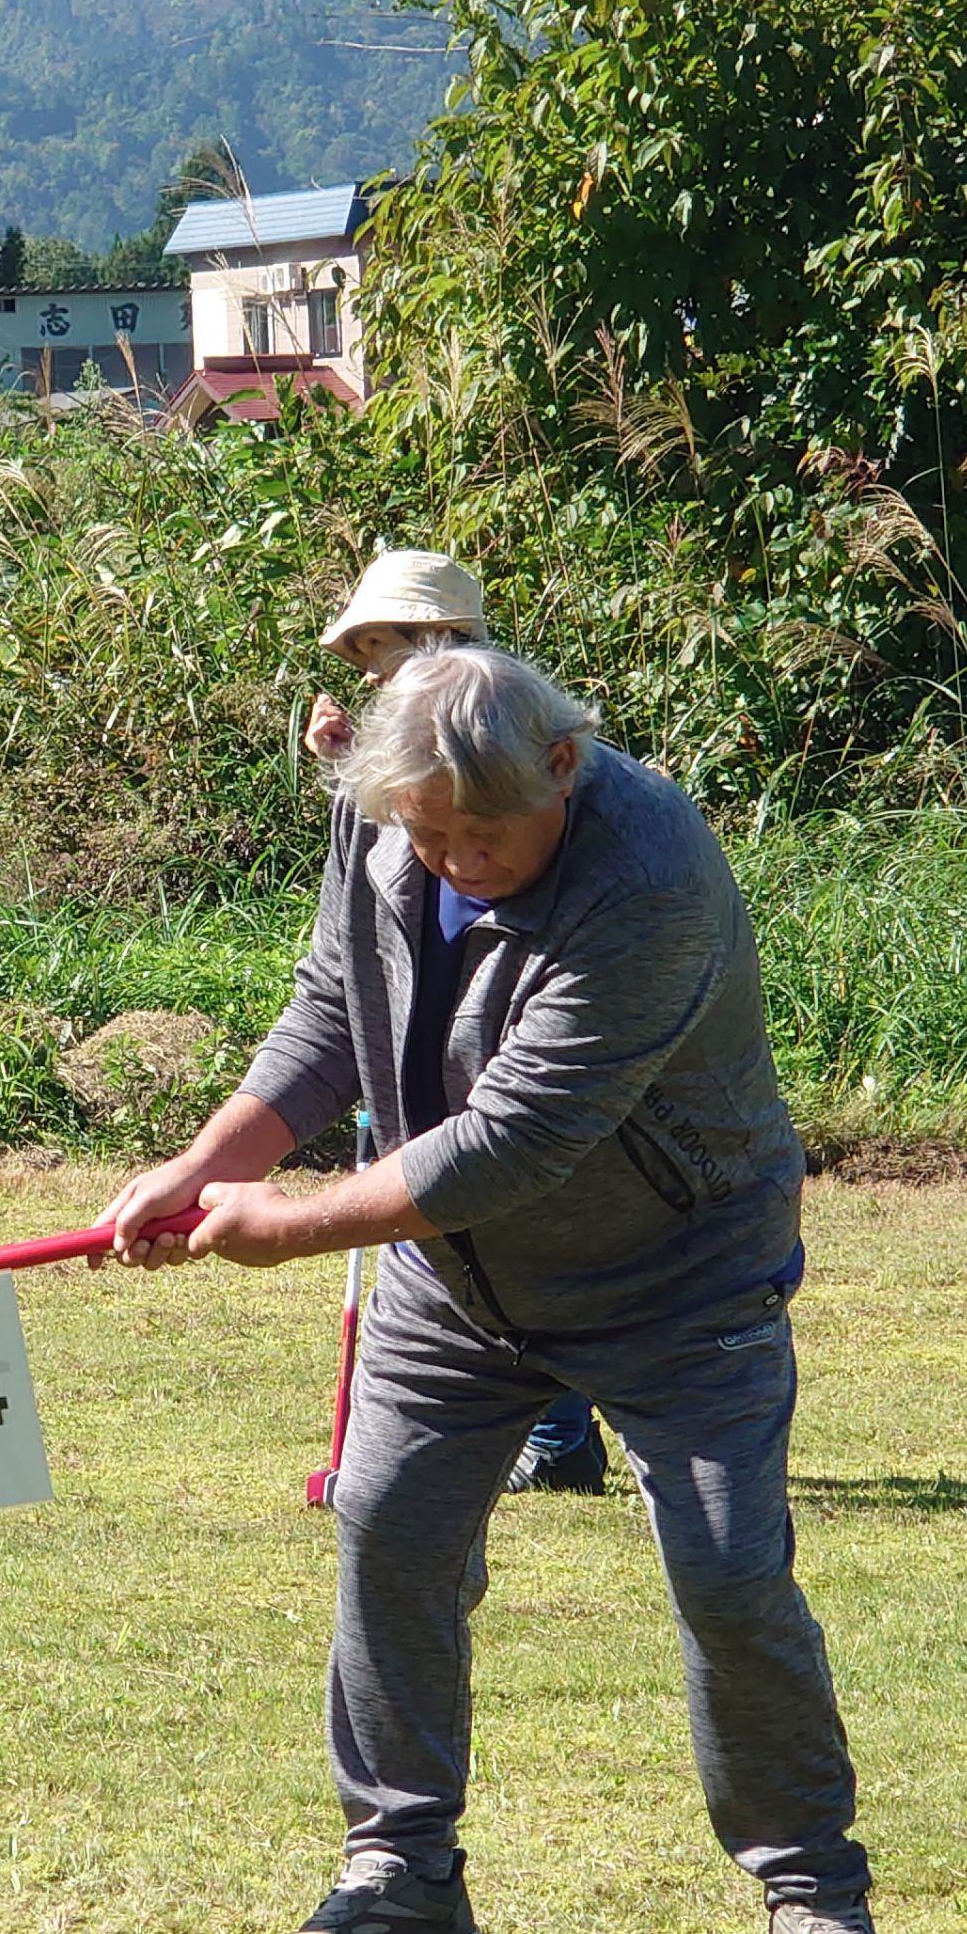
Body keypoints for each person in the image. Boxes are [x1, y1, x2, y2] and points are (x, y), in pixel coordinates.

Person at [108, 643, 913, 1934]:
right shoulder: (391, 825)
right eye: (424, 833)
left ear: (563, 765)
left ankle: (814, 1898)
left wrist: (281, 1224)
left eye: (481, 831)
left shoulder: (652, 878)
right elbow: (329, 1009)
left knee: (727, 1575)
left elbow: (512, 1144)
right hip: (457, 1285)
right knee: (390, 1524)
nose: (452, 857)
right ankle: (402, 1873)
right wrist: (209, 1156)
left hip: (678, 1280)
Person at [300, 553, 608, 1500]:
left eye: (389, 654)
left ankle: (558, 1438)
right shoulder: (395, 773)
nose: (374, 678)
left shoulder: (519, 760)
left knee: (510, 1231)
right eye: (366, 661)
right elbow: (348, 954)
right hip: (426, 1068)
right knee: (439, 1243)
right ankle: (516, 1437)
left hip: (518, 1072)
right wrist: (349, 769)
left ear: (449, 647)